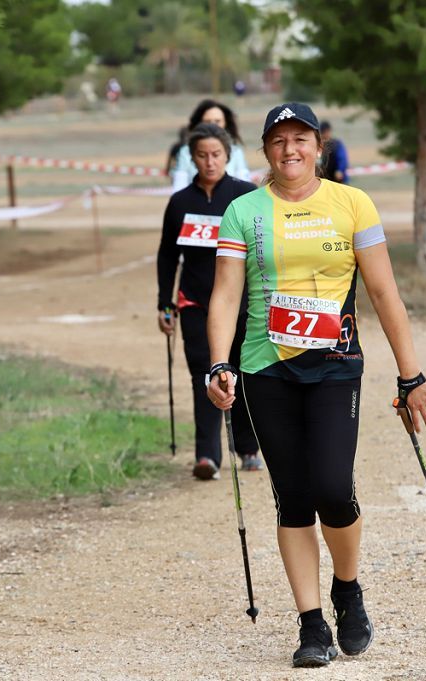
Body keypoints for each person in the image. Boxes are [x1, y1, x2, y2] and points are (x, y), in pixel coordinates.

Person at [205, 103, 426, 667]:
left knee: (334, 488)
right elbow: (225, 294)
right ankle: (312, 626)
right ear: (265, 150)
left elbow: (385, 293)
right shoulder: (243, 211)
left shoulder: (352, 203)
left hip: (336, 366)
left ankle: (348, 588)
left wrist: (411, 377)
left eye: (301, 139)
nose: (291, 150)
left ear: (319, 146)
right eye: (279, 140)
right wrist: (219, 365)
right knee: (293, 497)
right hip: (267, 367)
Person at [156, 123, 263, 480]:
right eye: (201, 155)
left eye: (216, 154)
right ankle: (207, 455)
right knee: (204, 374)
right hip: (193, 303)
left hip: (242, 305)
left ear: (228, 156)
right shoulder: (179, 203)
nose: (209, 161)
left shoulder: (246, 197)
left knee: (242, 373)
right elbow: (167, 257)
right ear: (192, 158)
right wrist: (164, 303)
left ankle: (248, 446)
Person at [171, 99, 250, 191]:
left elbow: (244, 188)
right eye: (207, 121)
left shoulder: (236, 152)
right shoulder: (185, 152)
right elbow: (179, 188)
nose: (213, 126)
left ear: (225, 123)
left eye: (217, 121)